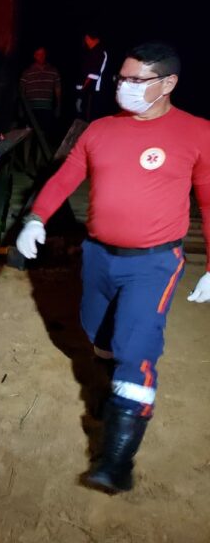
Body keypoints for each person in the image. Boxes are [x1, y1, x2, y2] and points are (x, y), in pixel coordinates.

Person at [15, 41, 210, 493]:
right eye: (121, 79)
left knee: (134, 349)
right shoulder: (100, 129)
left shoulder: (197, 133)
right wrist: (35, 218)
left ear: (168, 84)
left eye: (136, 80)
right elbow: (65, 176)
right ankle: (110, 389)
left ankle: (116, 462)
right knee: (97, 335)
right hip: (98, 256)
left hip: (155, 262)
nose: (123, 87)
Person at [19, 46, 62, 172]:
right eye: (38, 54)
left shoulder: (53, 71)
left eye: (42, 54)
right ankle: (25, 164)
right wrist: (21, 109)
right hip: (30, 109)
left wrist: (58, 106)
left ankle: (37, 164)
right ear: (34, 56)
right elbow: (21, 91)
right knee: (27, 136)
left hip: (46, 108)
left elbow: (58, 90)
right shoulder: (27, 72)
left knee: (41, 136)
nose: (40, 56)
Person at [75, 30, 109, 122]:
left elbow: (92, 77)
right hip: (87, 93)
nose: (86, 41)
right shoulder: (89, 53)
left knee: (90, 121)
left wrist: (82, 95)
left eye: (87, 38)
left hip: (93, 94)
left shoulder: (99, 52)